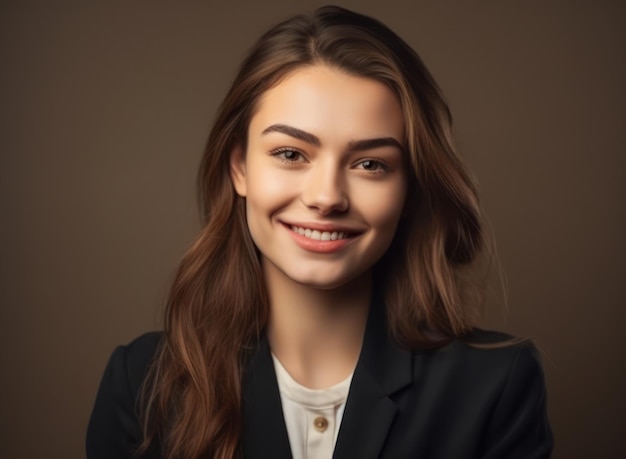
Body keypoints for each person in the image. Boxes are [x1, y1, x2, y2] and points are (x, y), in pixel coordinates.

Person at [86, 5, 553, 459]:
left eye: (371, 164)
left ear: (410, 190)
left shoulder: (495, 383)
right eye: (291, 154)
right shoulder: (141, 384)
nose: (327, 197)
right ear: (239, 167)